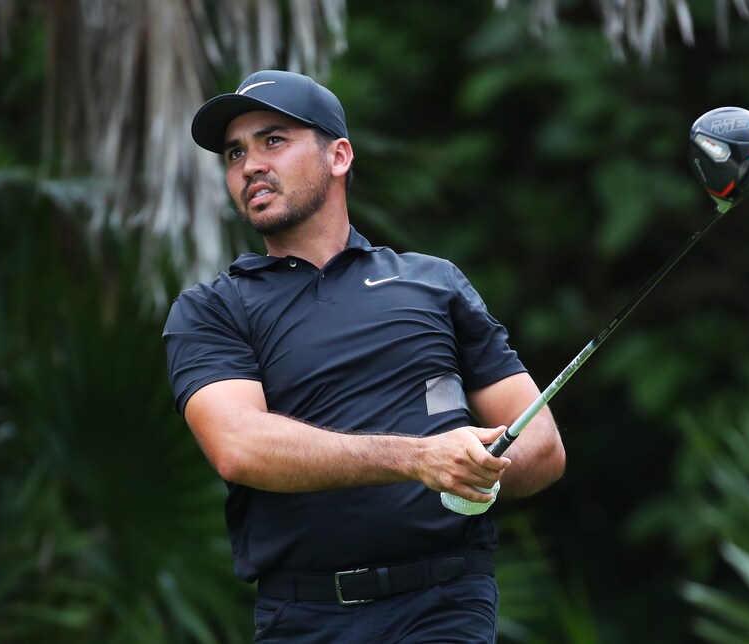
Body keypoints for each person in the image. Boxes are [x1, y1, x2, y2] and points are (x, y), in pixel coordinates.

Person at [163, 69, 566, 643]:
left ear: (339, 156)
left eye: (273, 140)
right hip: (301, 617)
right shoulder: (211, 309)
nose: (250, 165)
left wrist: (482, 468)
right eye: (234, 153)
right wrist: (416, 458)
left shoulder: (434, 284)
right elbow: (239, 446)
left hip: (443, 604)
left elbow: (544, 447)